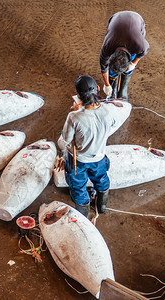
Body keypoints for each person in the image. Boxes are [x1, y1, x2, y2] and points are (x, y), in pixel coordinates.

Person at [57, 75, 130, 218]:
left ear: (78, 96)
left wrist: (76, 110)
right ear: (97, 89)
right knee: (101, 179)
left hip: (79, 161)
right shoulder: (110, 111)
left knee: (78, 187)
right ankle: (101, 206)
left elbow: (66, 139)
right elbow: (112, 126)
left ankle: (83, 215)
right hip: (99, 157)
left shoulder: (74, 116)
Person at [99, 11, 149, 100]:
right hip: (115, 18)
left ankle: (123, 88)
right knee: (112, 70)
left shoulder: (139, 45)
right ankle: (112, 88)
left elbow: (144, 51)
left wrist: (133, 63)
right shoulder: (107, 47)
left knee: (129, 67)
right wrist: (107, 84)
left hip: (136, 19)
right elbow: (104, 68)